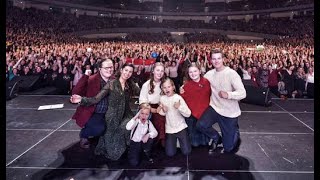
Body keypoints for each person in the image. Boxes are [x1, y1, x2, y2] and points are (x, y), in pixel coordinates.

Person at [71, 63, 140, 160]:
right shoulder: (111, 84)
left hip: (126, 114)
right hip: (112, 117)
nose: (127, 73)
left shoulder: (130, 84)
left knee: (130, 126)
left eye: (130, 72)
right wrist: (82, 100)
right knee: (114, 151)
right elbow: (96, 99)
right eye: (126, 70)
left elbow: (141, 92)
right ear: (121, 70)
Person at [196, 49, 246, 154]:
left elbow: (243, 93)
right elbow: (198, 84)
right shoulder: (209, 74)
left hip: (229, 112)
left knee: (228, 148)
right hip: (214, 108)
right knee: (201, 125)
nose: (216, 61)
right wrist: (184, 87)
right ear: (211, 60)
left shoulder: (232, 74)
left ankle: (234, 130)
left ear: (223, 59)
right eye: (214, 59)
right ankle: (216, 137)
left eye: (219, 58)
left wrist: (229, 94)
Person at [71, 59, 114, 149]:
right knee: (99, 129)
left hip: (109, 113)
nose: (109, 70)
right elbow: (76, 92)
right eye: (106, 68)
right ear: (100, 69)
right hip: (94, 112)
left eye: (111, 67)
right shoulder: (91, 79)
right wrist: (85, 76)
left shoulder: (115, 80)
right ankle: (84, 134)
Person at [157, 78, 192, 157]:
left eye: (169, 87)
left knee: (187, 152)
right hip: (170, 129)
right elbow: (162, 114)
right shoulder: (162, 98)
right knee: (170, 153)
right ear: (162, 89)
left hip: (181, 127)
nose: (167, 89)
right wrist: (163, 110)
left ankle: (183, 140)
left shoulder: (178, 98)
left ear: (173, 87)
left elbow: (188, 114)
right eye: (164, 87)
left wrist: (179, 107)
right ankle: (175, 142)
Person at [180, 64, 211, 147]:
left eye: (195, 71)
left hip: (205, 116)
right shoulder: (186, 86)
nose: (193, 74)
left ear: (200, 71)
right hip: (192, 117)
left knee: (205, 143)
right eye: (190, 72)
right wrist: (181, 94)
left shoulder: (207, 82)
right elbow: (183, 101)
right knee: (194, 143)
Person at [139, 62, 167, 147]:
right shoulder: (146, 85)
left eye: (162, 71)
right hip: (149, 108)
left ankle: (164, 142)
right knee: (157, 121)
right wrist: (153, 110)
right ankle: (154, 143)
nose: (160, 73)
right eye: (158, 70)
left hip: (162, 107)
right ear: (153, 71)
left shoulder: (165, 83)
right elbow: (142, 102)